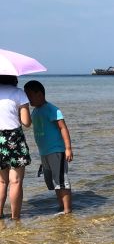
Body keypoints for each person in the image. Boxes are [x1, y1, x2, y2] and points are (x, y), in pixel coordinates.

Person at [24, 80, 73, 214]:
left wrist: (68, 148)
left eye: (29, 96)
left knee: (61, 180)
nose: (27, 100)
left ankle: (67, 210)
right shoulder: (35, 112)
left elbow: (63, 127)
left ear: (39, 94)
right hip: (44, 152)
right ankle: (61, 206)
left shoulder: (52, 109)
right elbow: (26, 123)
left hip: (57, 151)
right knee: (52, 181)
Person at [0, 75, 32, 219]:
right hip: (14, 138)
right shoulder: (19, 93)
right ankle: (15, 218)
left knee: (1, 181)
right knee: (16, 181)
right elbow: (26, 122)